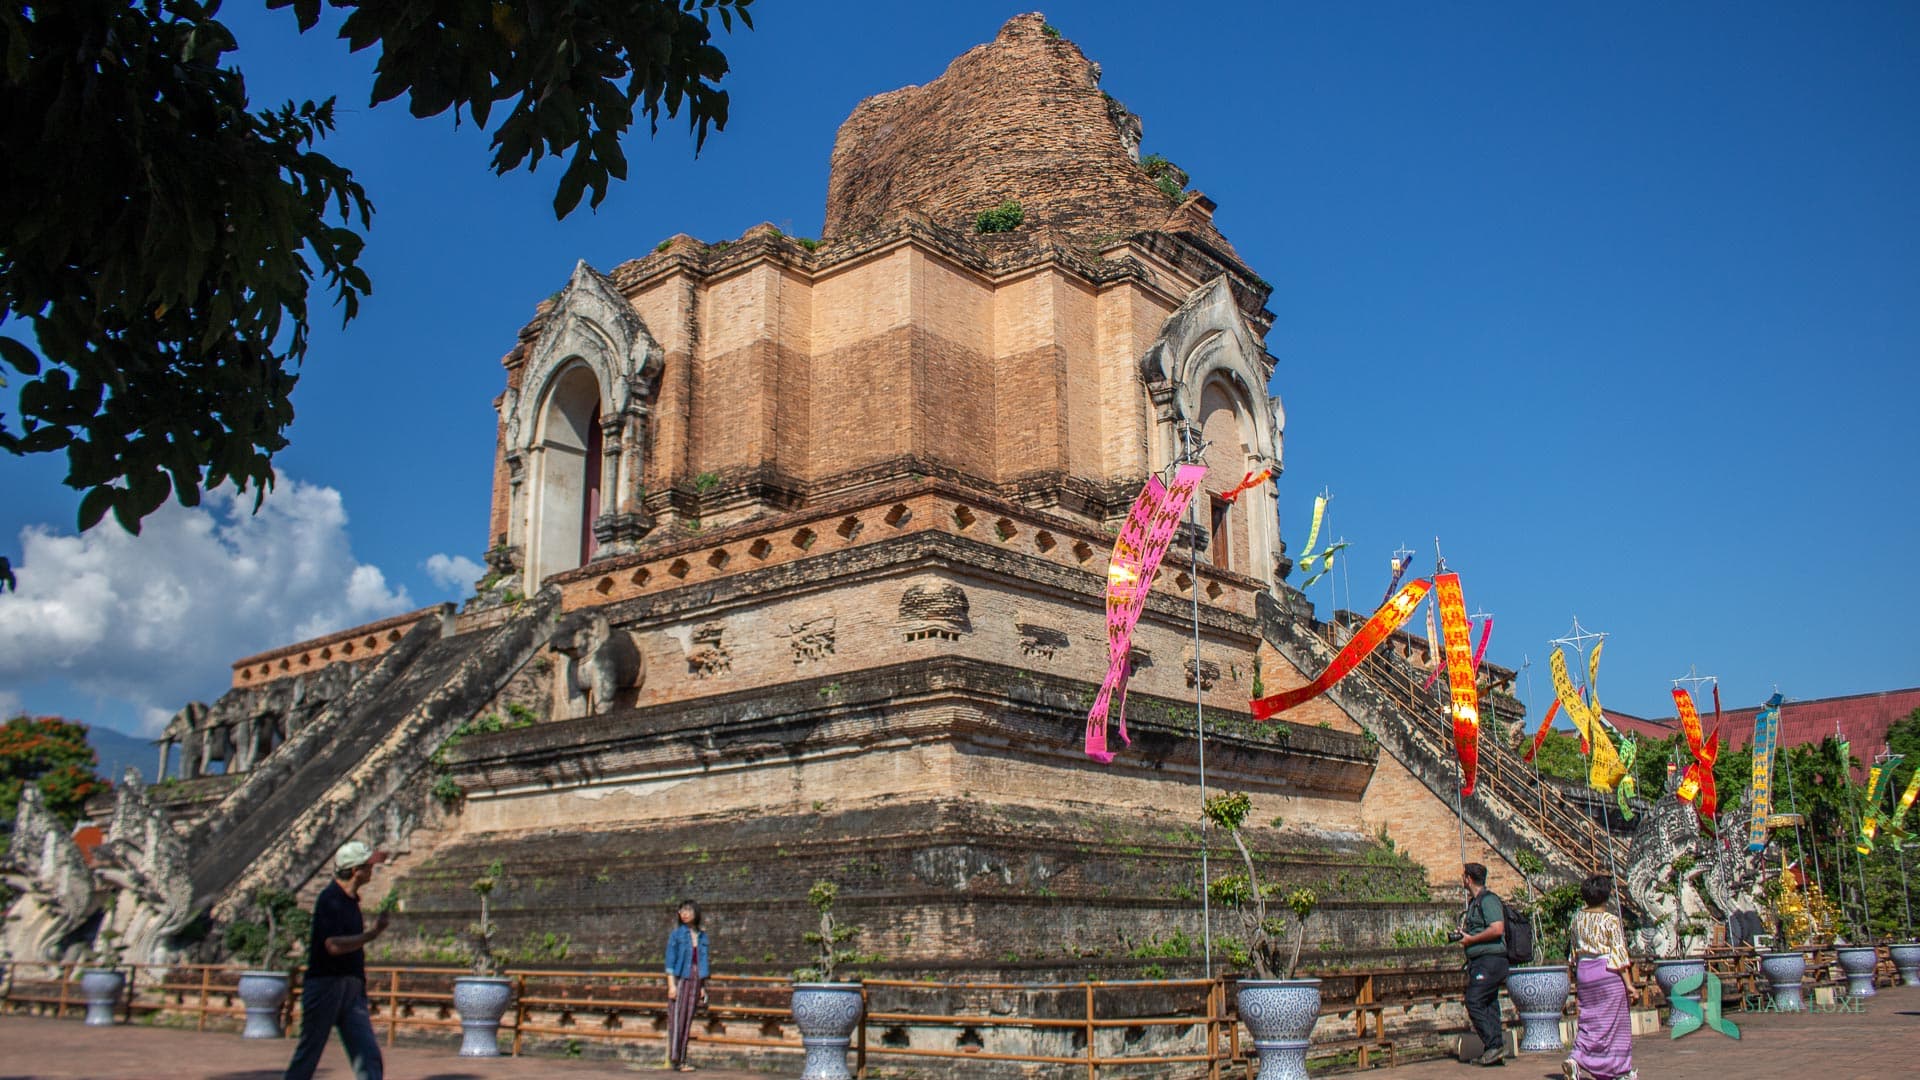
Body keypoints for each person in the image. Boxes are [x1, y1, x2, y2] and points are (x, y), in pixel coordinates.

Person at [285, 841, 391, 1080]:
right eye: (368, 866)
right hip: (326, 984)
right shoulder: (330, 899)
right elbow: (332, 945)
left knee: (368, 1055)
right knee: (309, 1054)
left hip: (351, 985)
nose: (371, 870)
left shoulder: (351, 900)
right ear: (356, 870)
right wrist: (372, 934)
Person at [1564, 874, 1638, 1080]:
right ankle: (1619, 1070)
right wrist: (1630, 985)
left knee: (1590, 1020)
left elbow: (1573, 951)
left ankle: (1576, 1057)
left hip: (1585, 971)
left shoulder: (1577, 918)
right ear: (1606, 896)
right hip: (1607, 972)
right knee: (1615, 1023)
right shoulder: (1610, 920)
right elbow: (1619, 954)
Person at [1447, 862, 1509, 1067]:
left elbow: (1497, 928)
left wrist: (1472, 940)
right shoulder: (1475, 902)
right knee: (1489, 1004)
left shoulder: (1488, 901)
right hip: (1481, 961)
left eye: (1464, 876)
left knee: (1474, 1000)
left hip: (1490, 961)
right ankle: (1494, 1048)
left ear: (1469, 879)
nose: (1462, 880)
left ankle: (1493, 1045)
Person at [664, 899, 710, 1072]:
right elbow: (670, 960)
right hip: (681, 977)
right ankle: (676, 1058)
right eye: (682, 910)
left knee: (688, 1018)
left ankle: (682, 1058)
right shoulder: (677, 935)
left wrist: (703, 987)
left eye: (688, 910)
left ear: (695, 913)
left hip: (696, 978)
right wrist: (671, 985)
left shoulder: (702, 936)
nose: (684, 914)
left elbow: (702, 961)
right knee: (677, 1018)